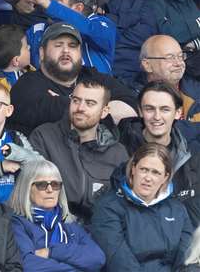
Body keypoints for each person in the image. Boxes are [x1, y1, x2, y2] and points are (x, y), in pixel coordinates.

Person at [25, 72, 127, 219]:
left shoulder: (118, 153)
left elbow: (123, 206)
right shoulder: (44, 137)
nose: (80, 108)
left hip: (100, 229)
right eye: (76, 100)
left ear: (104, 112)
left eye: (90, 103)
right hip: (56, 225)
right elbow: (33, 193)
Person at [88, 144, 194, 272]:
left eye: (155, 172)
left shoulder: (177, 210)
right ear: (133, 169)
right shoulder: (108, 206)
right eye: (144, 169)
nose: (148, 178)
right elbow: (118, 261)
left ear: (165, 177)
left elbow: (188, 257)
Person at [3, 157, 105, 272]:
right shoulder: (17, 224)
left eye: (55, 184)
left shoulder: (70, 223)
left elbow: (97, 258)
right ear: (26, 188)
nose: (50, 189)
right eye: (42, 184)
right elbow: (27, 265)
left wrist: (51, 251)